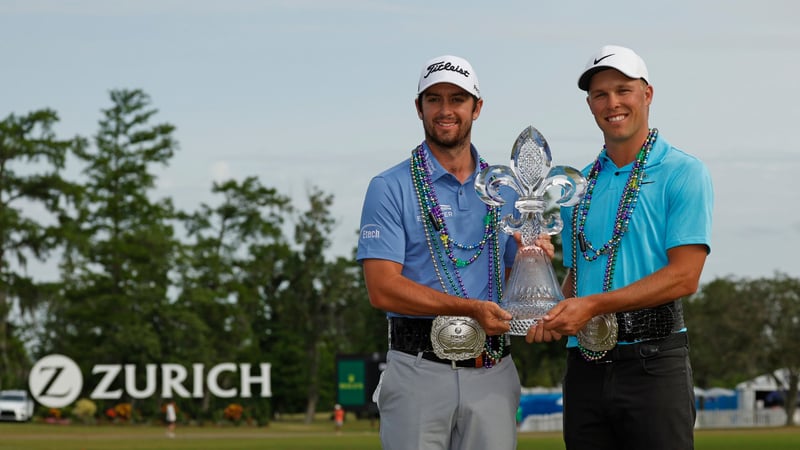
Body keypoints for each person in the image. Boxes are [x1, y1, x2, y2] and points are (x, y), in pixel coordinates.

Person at [357, 54, 554, 450]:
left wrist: (535, 261)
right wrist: (469, 309)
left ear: (476, 108)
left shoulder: (509, 189)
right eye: (434, 99)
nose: (446, 110)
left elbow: (517, 291)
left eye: (458, 99)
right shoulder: (389, 186)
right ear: (419, 107)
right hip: (417, 369)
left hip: (492, 370)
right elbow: (382, 289)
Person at [527, 45, 714, 450]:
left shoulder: (683, 171)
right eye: (600, 94)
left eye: (623, 90)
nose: (612, 103)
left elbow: (685, 275)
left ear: (647, 94)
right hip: (585, 365)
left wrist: (593, 306)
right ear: (591, 105)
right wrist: (543, 305)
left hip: (653, 361)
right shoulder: (578, 186)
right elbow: (579, 276)